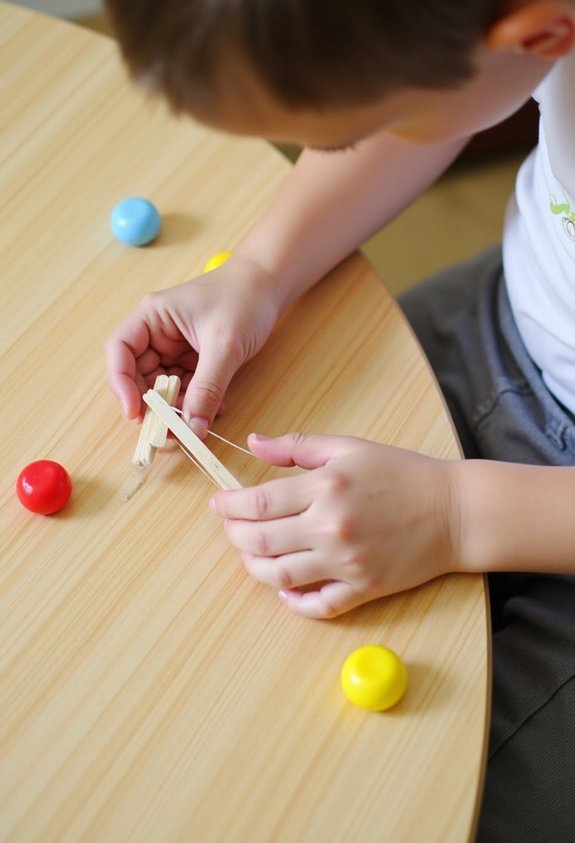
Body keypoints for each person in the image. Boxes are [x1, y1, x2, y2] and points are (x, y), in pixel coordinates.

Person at [103, 2, 575, 838]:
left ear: (537, 35)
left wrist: (455, 514)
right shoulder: (508, 23)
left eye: (365, 121)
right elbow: (426, 101)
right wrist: (260, 268)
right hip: (504, 317)